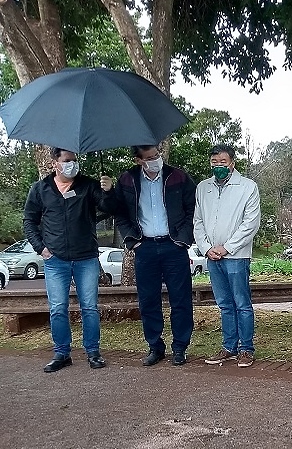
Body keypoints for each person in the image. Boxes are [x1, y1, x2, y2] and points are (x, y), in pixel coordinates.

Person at [23, 148, 118, 372]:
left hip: (86, 257)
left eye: (75, 160)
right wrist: (41, 248)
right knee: (57, 308)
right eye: (67, 161)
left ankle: (93, 352)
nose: (72, 164)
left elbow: (110, 209)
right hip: (55, 259)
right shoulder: (40, 189)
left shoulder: (88, 185)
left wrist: (109, 191)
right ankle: (62, 353)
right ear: (55, 162)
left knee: (90, 308)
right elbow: (29, 221)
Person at [114, 144, 197, 367]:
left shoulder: (178, 176)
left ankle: (180, 347)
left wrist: (183, 238)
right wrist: (133, 241)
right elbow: (119, 213)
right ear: (138, 160)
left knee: (181, 300)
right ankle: (155, 346)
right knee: (148, 301)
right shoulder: (127, 180)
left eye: (157, 155)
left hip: (174, 246)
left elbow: (192, 209)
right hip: (145, 248)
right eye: (149, 157)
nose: (155, 160)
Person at [194, 144, 262, 368]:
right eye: (214, 163)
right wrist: (206, 247)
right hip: (212, 256)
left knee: (242, 303)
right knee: (224, 304)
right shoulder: (203, 188)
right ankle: (228, 346)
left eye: (222, 162)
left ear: (232, 162)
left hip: (237, 256)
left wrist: (228, 247)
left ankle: (246, 349)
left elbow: (250, 223)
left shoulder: (247, 187)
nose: (218, 166)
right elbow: (198, 222)